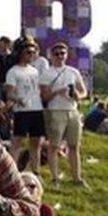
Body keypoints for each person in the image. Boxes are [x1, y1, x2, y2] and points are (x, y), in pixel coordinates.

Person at [40, 42, 88, 186]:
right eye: (57, 54)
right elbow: (44, 96)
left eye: (63, 53)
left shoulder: (73, 72)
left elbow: (84, 91)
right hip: (55, 111)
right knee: (54, 146)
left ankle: (77, 178)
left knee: (74, 146)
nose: (60, 56)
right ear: (51, 56)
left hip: (72, 110)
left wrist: (77, 95)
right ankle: (55, 178)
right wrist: (57, 91)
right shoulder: (47, 73)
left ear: (66, 55)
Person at [4, 36, 45, 173]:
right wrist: (19, 100)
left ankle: (36, 171)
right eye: (28, 52)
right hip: (21, 110)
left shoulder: (35, 71)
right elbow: (9, 94)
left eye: (34, 52)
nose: (31, 55)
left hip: (36, 109)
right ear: (21, 53)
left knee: (36, 142)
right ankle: (12, 172)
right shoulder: (13, 71)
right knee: (17, 142)